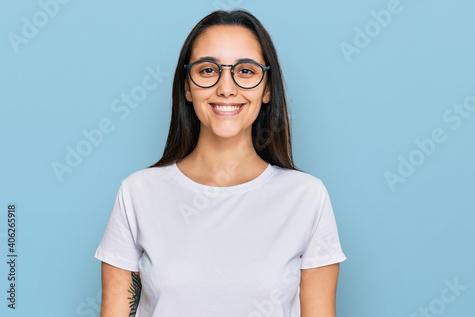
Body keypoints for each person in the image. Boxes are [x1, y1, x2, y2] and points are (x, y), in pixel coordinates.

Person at [94, 9, 347, 317]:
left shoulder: (307, 197)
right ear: (187, 87)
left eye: (246, 71)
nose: (226, 88)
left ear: (267, 89)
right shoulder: (137, 193)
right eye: (208, 70)